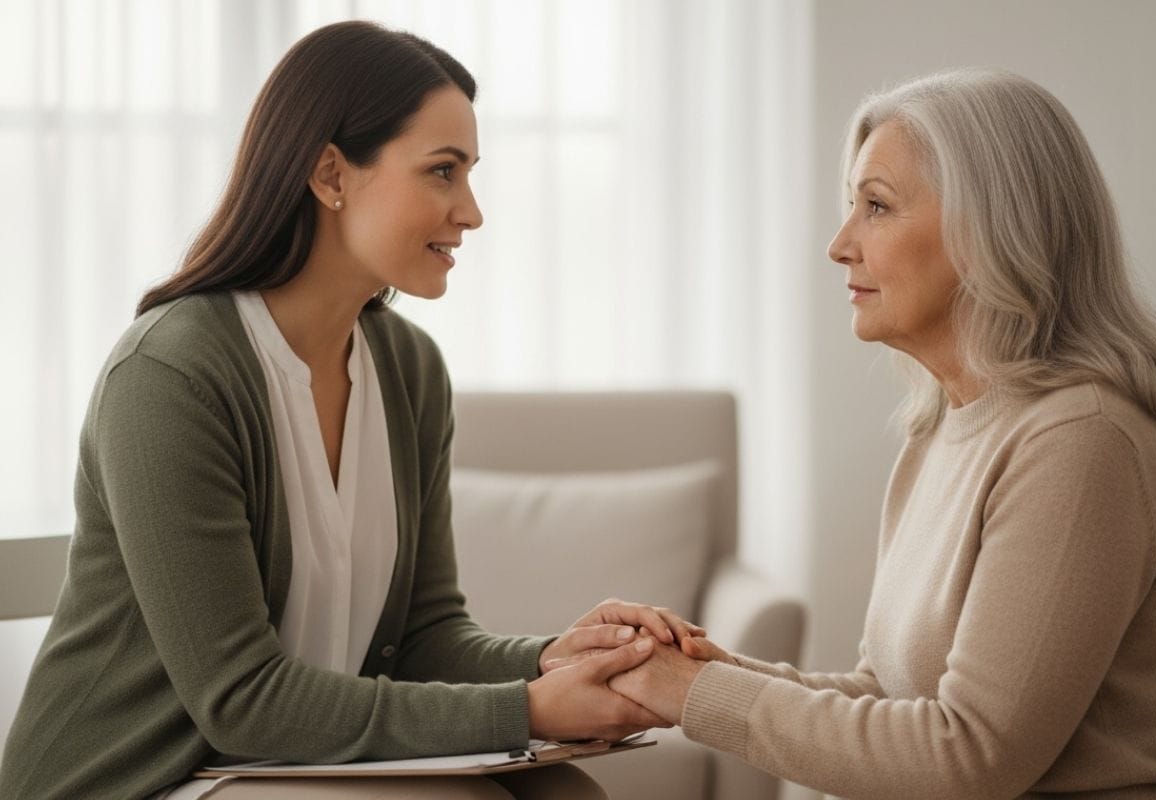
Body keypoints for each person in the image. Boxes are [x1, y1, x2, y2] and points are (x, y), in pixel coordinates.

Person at [0, 21, 700, 800]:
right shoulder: (171, 376)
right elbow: (242, 702)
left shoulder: (409, 370)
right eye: (442, 171)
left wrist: (558, 661)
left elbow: (427, 637)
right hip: (141, 777)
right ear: (331, 173)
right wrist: (528, 708)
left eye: (468, 174)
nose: (471, 211)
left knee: (565, 794)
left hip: (268, 765)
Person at [604, 68, 1156, 797]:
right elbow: (888, 695)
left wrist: (690, 694)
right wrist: (697, 672)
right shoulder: (944, 428)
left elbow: (969, 755)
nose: (839, 244)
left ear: (990, 232)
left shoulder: (1082, 442)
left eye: (877, 207)